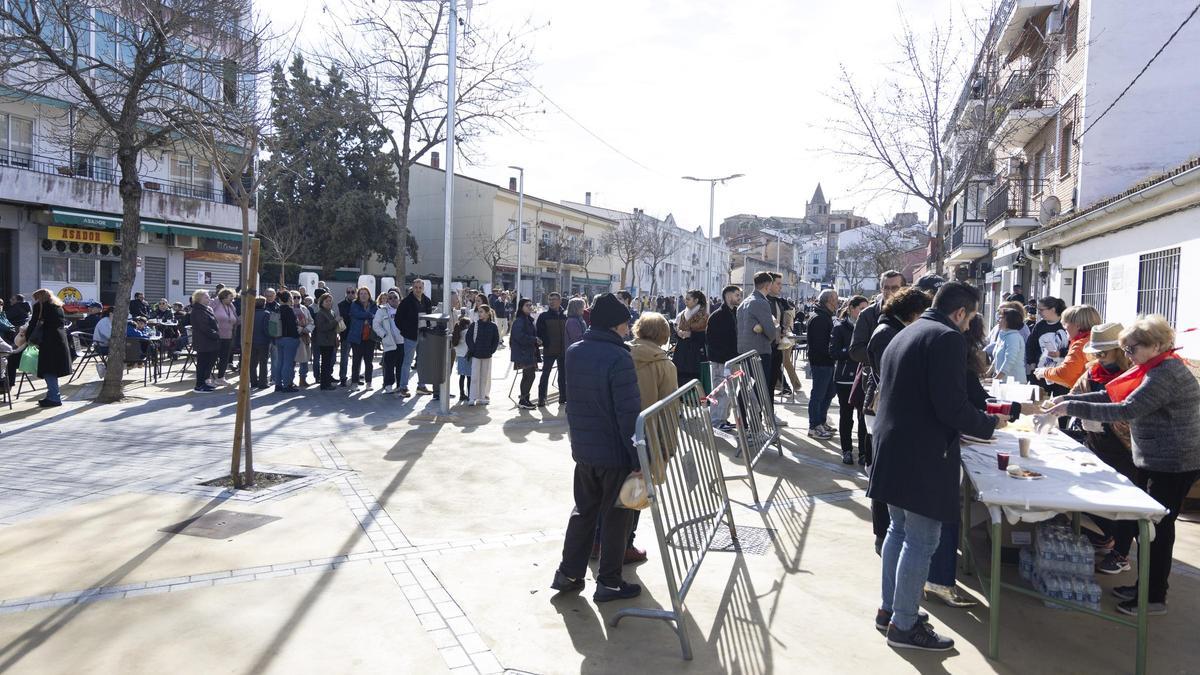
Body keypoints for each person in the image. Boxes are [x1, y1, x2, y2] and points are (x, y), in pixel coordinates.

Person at [869, 282, 1004, 651]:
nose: (969, 325)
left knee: (898, 531)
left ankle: (892, 611)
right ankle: (904, 626)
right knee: (922, 538)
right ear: (960, 313)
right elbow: (951, 407)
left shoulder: (909, 330)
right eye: (972, 317)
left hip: (894, 445)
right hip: (921, 452)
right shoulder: (946, 338)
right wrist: (990, 425)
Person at [1044, 315, 1200, 616]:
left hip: (1173, 462)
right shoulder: (1153, 366)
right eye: (1125, 349)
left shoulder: (1165, 373)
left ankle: (1153, 598)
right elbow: (1111, 393)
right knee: (1149, 527)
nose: (1127, 355)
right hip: (1156, 458)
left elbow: (1128, 408)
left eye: (1131, 349)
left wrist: (1069, 405)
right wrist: (1067, 398)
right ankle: (1146, 588)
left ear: (1155, 344)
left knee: (1156, 529)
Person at [551, 293, 642, 602]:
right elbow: (628, 415)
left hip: (585, 450)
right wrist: (637, 456)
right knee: (617, 518)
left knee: (583, 512)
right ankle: (609, 582)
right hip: (614, 453)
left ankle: (568, 573)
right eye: (626, 324)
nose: (629, 330)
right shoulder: (619, 358)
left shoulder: (576, 352)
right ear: (616, 325)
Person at [1062, 322, 1137, 574]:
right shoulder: (1092, 373)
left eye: (1104, 353)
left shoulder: (1133, 376)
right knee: (1094, 496)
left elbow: (1126, 411)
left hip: (1126, 450)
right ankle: (1107, 536)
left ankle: (1121, 553)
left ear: (1120, 350)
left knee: (1126, 504)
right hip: (1096, 445)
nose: (1100, 359)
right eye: (1096, 354)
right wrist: (1060, 404)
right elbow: (1074, 395)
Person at [830, 295, 869, 464]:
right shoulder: (839, 328)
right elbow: (834, 352)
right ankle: (846, 450)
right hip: (845, 378)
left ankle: (863, 452)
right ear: (852, 309)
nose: (863, 312)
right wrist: (852, 352)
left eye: (866, 308)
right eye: (861, 308)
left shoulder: (869, 326)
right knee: (846, 416)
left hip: (863, 377)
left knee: (863, 417)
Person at [25, 289, 74, 407]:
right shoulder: (58, 306)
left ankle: (54, 397)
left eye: (36, 298)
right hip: (60, 341)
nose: (35, 301)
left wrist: (28, 338)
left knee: (48, 370)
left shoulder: (41, 306)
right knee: (52, 370)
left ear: (40, 297)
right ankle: (51, 395)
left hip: (48, 342)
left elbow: (33, 323)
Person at [1035, 304, 1101, 390]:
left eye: (1066, 325)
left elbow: (1065, 374)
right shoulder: (1096, 341)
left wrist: (1044, 372)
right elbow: (1075, 378)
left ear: (1077, 325)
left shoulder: (1080, 345)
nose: (1064, 328)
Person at [849, 270, 906, 366]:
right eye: (886, 288)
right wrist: (886, 354)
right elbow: (855, 351)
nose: (890, 292)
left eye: (895, 288)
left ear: (903, 289)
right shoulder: (867, 315)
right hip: (875, 376)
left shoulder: (911, 314)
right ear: (881, 289)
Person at [706, 285, 742, 432]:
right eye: (737, 295)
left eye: (740, 295)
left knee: (730, 392)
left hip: (732, 359)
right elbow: (712, 340)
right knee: (720, 391)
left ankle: (723, 419)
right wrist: (722, 357)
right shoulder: (717, 316)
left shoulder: (735, 313)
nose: (740, 298)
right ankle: (716, 421)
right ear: (728, 296)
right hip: (721, 360)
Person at [805, 288, 839, 439]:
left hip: (827, 361)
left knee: (829, 393)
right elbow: (820, 344)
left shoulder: (825, 315)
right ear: (829, 301)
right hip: (821, 362)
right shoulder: (819, 317)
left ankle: (821, 421)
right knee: (818, 394)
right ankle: (814, 426)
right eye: (835, 298)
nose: (837, 301)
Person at [397, 280, 433, 396]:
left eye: (420, 287)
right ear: (412, 288)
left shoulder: (427, 301)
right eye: (416, 287)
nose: (418, 289)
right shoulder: (406, 302)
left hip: (423, 335)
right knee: (407, 362)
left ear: (423, 288)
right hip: (410, 336)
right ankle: (403, 387)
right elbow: (398, 319)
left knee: (422, 362)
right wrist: (405, 331)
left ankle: (421, 386)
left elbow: (429, 317)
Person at [671, 289, 708, 388]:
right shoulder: (682, 314)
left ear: (696, 301)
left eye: (688, 299)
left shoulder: (704, 315)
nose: (685, 301)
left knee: (693, 380)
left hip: (695, 352)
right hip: (681, 351)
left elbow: (706, 335)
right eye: (685, 299)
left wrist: (691, 335)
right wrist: (678, 332)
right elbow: (675, 329)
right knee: (679, 378)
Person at [536, 292, 567, 406]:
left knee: (562, 375)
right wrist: (546, 342)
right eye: (550, 299)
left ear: (559, 301)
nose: (551, 302)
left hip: (563, 350)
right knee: (545, 374)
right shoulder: (543, 316)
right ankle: (541, 398)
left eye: (554, 299)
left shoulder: (565, 315)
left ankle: (563, 397)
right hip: (549, 350)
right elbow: (539, 332)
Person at [1026, 296, 1068, 379]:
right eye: (1038, 310)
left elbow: (1073, 347)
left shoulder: (1066, 324)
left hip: (1061, 372)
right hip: (1041, 371)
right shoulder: (1040, 325)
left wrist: (1060, 353)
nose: (1039, 313)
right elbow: (1031, 345)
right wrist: (1032, 363)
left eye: (1041, 310)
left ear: (1053, 309)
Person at [466, 305, 500, 405]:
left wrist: (491, 351)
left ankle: (482, 397)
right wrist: (473, 349)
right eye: (479, 312)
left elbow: (496, 340)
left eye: (481, 312)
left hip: (487, 355)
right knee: (474, 376)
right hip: (476, 355)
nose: (479, 314)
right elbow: (469, 338)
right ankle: (472, 397)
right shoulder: (474, 325)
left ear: (487, 313)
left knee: (484, 377)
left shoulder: (493, 326)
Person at [371, 290, 403, 394]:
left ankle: (400, 385)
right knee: (389, 365)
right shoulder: (382, 310)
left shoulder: (403, 310)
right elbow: (376, 324)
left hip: (402, 342)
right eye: (390, 298)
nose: (393, 299)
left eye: (395, 297)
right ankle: (388, 384)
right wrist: (383, 334)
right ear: (387, 300)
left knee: (401, 365)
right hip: (390, 342)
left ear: (399, 299)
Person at [189, 289, 220, 394]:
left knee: (209, 363)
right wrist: (216, 335)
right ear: (199, 299)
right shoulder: (198, 310)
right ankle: (199, 385)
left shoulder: (207, 309)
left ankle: (205, 382)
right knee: (203, 363)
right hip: (204, 342)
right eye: (206, 297)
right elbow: (204, 327)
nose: (209, 299)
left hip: (210, 342)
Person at [347, 287, 377, 391]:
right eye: (361, 294)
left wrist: (366, 318)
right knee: (356, 361)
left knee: (369, 362)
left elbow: (376, 317)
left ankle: (369, 383)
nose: (363, 295)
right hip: (357, 337)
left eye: (365, 293)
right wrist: (369, 316)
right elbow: (356, 314)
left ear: (369, 295)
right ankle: (354, 383)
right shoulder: (354, 304)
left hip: (370, 337)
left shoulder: (374, 305)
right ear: (358, 295)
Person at [511, 298, 539, 410]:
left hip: (528, 352)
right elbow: (519, 336)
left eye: (530, 305)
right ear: (521, 307)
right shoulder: (520, 320)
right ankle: (523, 399)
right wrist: (534, 339)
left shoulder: (527, 319)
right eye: (527, 305)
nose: (530, 307)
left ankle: (525, 398)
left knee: (529, 375)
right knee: (529, 375)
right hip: (523, 352)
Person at [271, 291, 301, 393]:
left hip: (278, 338)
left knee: (280, 362)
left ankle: (278, 384)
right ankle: (287, 385)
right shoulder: (289, 310)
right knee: (287, 363)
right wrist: (298, 335)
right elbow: (292, 326)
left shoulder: (277, 308)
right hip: (290, 338)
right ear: (289, 299)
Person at [991, 307, 1028, 383]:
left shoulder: (1013, 337)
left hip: (1014, 383)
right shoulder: (1003, 335)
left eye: (1001, 318)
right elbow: (996, 359)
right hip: (1003, 381)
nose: (998, 320)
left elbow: (1009, 361)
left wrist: (996, 379)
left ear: (1009, 321)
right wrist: (987, 373)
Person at [312, 293, 340, 390]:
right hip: (324, 341)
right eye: (326, 301)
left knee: (328, 363)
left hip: (330, 340)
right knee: (325, 363)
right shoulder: (321, 313)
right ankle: (324, 384)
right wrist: (335, 321)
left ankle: (327, 381)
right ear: (322, 302)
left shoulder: (331, 312)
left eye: (330, 301)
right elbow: (322, 327)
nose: (328, 303)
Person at [212, 288, 239, 385]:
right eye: (230, 297)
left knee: (225, 357)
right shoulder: (216, 303)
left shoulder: (231, 306)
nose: (232, 299)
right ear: (223, 296)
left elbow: (235, 319)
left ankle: (221, 377)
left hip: (228, 336)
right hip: (216, 336)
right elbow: (209, 314)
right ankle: (206, 378)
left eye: (233, 297)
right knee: (212, 357)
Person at [250, 296, 271, 389]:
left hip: (252, 341)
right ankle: (263, 383)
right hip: (263, 341)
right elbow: (266, 328)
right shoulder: (266, 314)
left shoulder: (250, 313)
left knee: (253, 363)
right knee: (263, 362)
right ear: (264, 304)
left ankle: (253, 381)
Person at [337, 287, 355, 386]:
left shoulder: (358, 304)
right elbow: (346, 317)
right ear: (346, 293)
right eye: (348, 292)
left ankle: (355, 378)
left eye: (353, 292)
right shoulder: (341, 304)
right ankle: (343, 378)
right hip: (346, 334)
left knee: (357, 358)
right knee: (344, 358)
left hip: (357, 334)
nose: (350, 294)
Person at [451, 316, 473, 401]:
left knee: (462, 377)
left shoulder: (457, 332)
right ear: (467, 325)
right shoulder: (467, 332)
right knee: (469, 377)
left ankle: (461, 394)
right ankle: (469, 394)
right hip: (467, 356)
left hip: (459, 356)